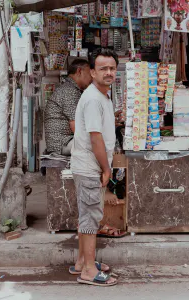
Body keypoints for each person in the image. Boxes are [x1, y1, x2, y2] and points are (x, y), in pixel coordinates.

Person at [70, 48, 119, 286]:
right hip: (90, 166)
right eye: (103, 69)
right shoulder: (92, 98)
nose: (108, 73)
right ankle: (88, 271)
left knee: (86, 215)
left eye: (112, 68)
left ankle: (82, 261)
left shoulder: (102, 95)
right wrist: (106, 169)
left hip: (89, 165)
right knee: (90, 217)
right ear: (92, 72)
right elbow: (95, 138)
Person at [44, 59, 92, 156]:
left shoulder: (69, 88)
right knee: (99, 144)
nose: (92, 78)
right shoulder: (69, 91)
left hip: (64, 141)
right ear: (79, 71)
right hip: (63, 143)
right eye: (89, 74)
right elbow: (76, 125)